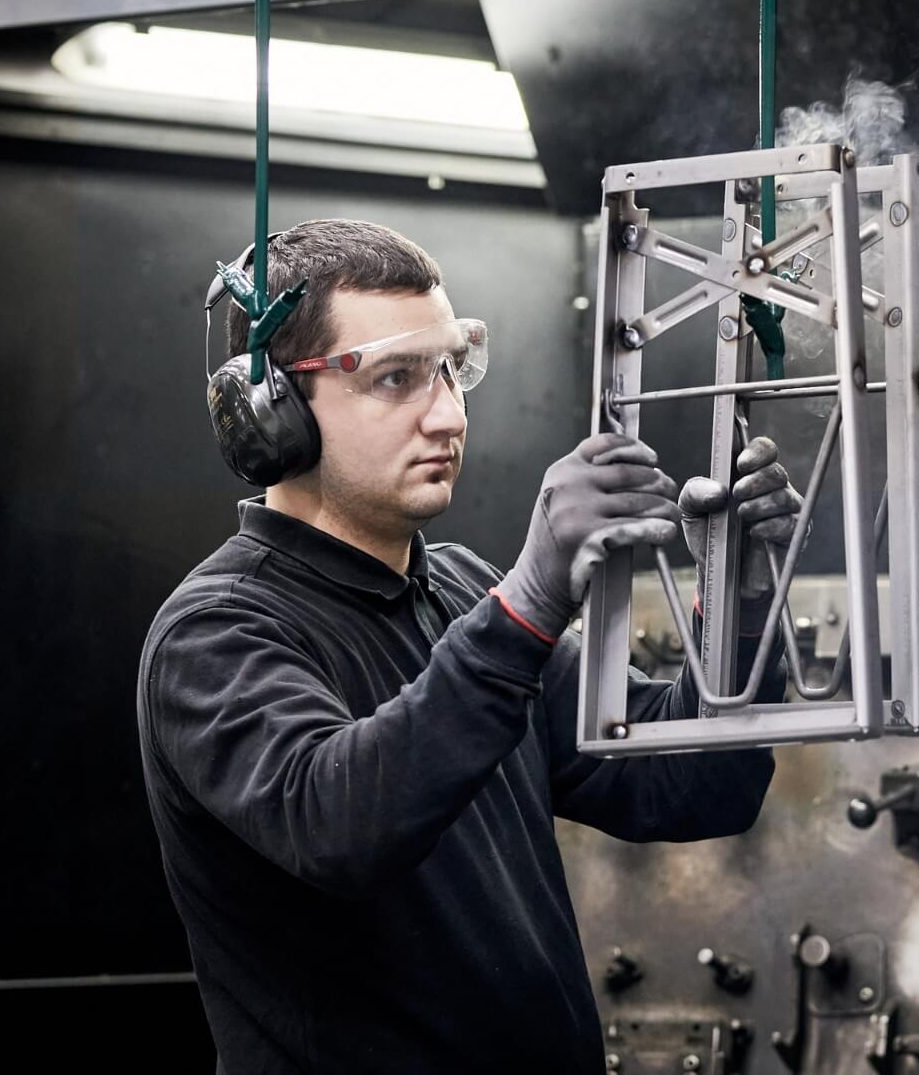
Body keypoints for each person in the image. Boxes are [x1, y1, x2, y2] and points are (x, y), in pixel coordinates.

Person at [136, 218, 801, 1073]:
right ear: (271, 412)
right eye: (396, 378)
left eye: (451, 368)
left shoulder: (455, 592)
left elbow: (694, 786)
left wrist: (739, 603)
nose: (446, 413)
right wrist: (525, 602)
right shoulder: (216, 634)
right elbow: (341, 825)